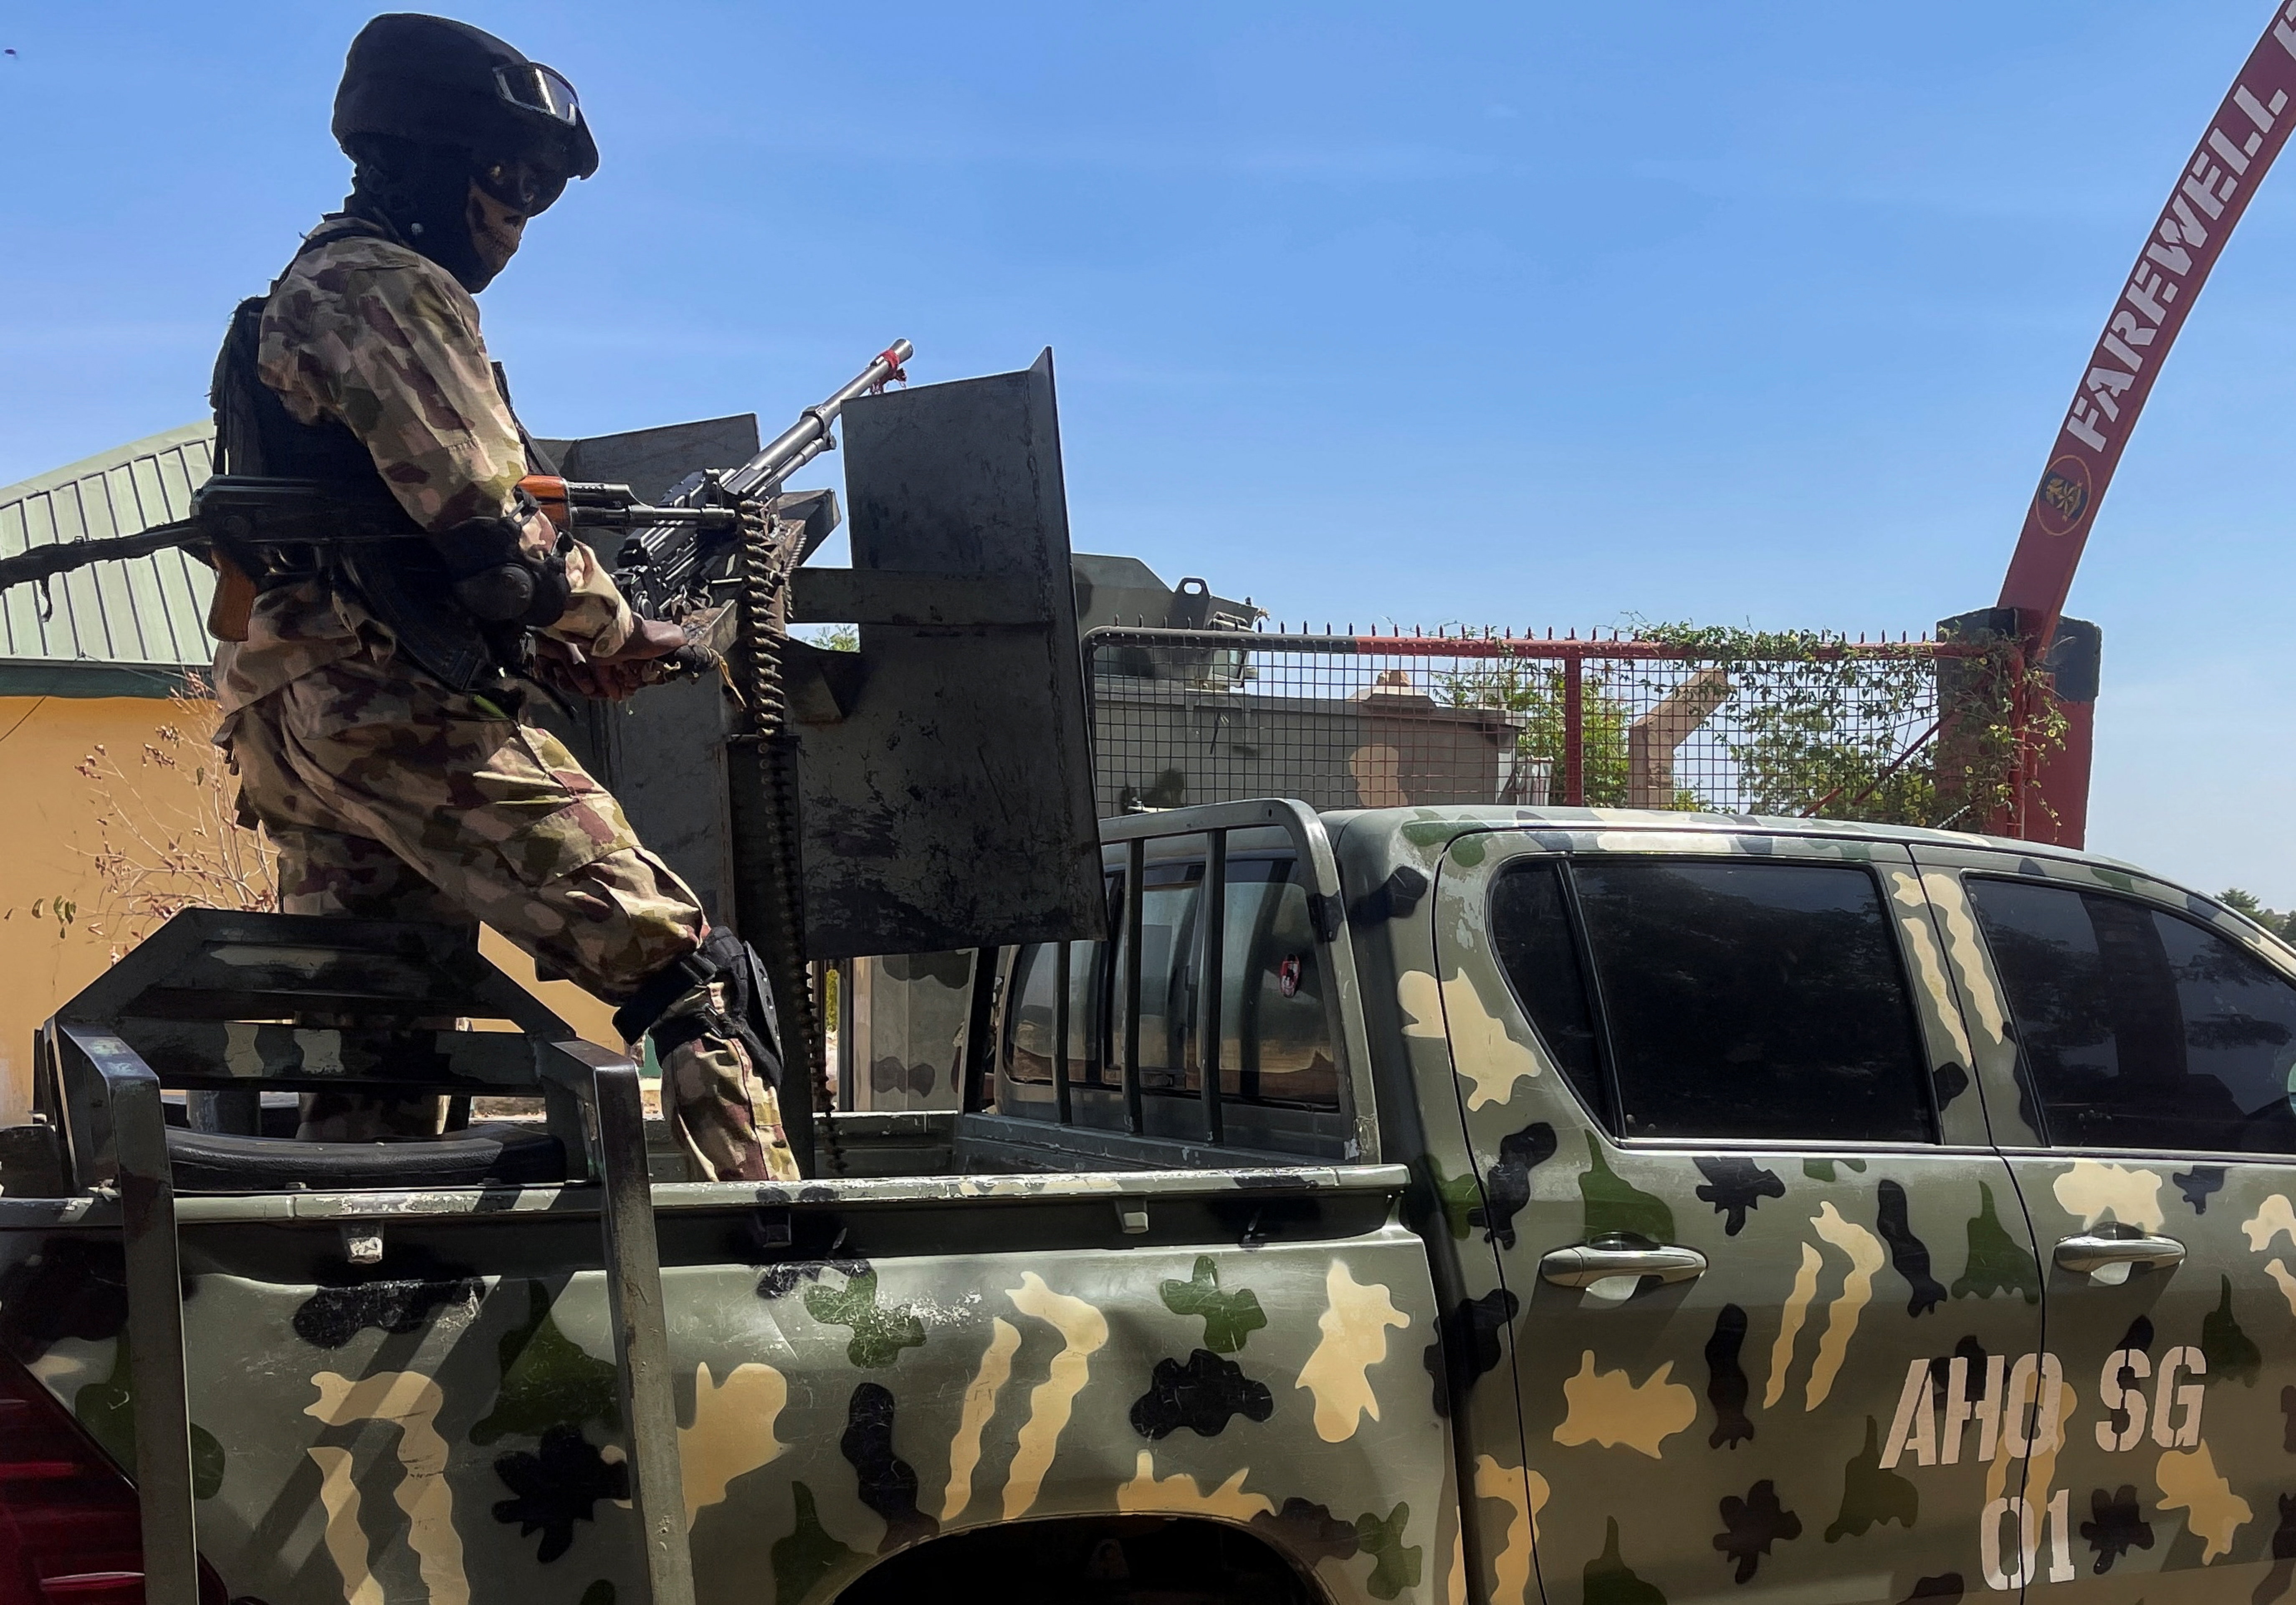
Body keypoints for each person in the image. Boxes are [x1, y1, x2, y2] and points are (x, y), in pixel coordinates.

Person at [207, 12, 799, 1182]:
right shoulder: (388, 283)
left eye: (541, 194)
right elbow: (494, 537)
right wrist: (623, 626)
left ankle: (359, 1284)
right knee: (692, 974)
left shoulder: (304, 290)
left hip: (305, 718)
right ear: (431, 160)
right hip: (392, 706)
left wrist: (555, 647)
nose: (519, 223)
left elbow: (418, 543)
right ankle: (795, 1269)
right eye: (510, 183)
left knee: (380, 1033)